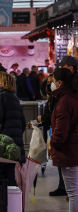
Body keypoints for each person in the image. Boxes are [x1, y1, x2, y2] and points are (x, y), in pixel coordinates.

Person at [49, 68, 78, 211]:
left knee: (73, 193)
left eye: (53, 81)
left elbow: (61, 133)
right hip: (74, 148)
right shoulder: (73, 96)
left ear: (60, 83)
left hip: (69, 151)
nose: (51, 84)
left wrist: (52, 142)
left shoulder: (64, 101)